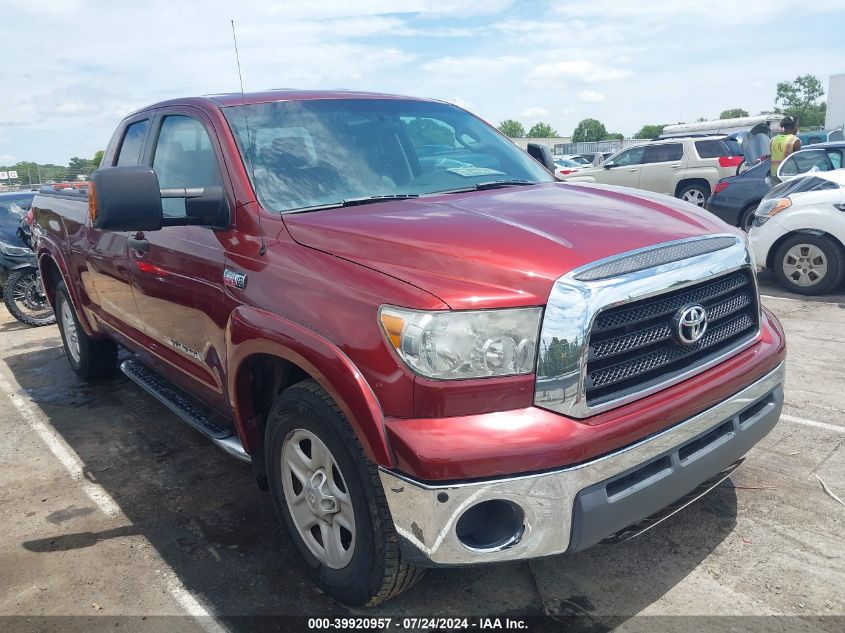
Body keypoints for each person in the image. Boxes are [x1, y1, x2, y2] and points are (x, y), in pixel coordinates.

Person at [769, 117, 801, 183]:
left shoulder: (774, 139)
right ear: (792, 126)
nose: (797, 129)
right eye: (797, 126)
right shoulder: (795, 141)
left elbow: (771, 156)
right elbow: (798, 161)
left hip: (774, 174)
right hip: (788, 175)